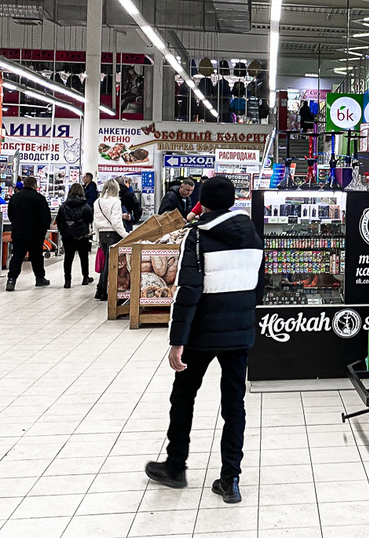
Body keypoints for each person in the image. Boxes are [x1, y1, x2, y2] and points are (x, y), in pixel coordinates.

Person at [145, 176, 263, 504]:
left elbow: (187, 291)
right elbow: (258, 285)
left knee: (183, 398)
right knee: (234, 404)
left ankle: (175, 466)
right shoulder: (253, 235)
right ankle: (230, 479)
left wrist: (176, 341)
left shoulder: (197, 236)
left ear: (204, 201)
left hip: (200, 334)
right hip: (239, 334)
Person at [5, 176, 52, 291]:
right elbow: (46, 217)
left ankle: (11, 280)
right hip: (35, 234)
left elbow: (10, 214)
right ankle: (40, 278)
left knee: (17, 256)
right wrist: (44, 230)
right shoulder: (39, 198)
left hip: (19, 233)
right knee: (36, 257)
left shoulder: (15, 198)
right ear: (35, 185)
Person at [93, 178, 128, 301]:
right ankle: (105, 292)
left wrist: (97, 237)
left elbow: (95, 222)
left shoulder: (97, 201)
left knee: (105, 263)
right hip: (113, 234)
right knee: (110, 264)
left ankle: (100, 290)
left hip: (102, 234)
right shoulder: (115, 201)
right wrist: (125, 235)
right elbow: (116, 222)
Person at [56, 183, 95, 289]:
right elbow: (90, 219)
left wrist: (63, 230)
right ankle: (85, 277)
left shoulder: (64, 205)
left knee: (68, 257)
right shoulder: (85, 205)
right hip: (82, 234)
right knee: (84, 256)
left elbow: (59, 220)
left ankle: (67, 280)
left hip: (67, 235)